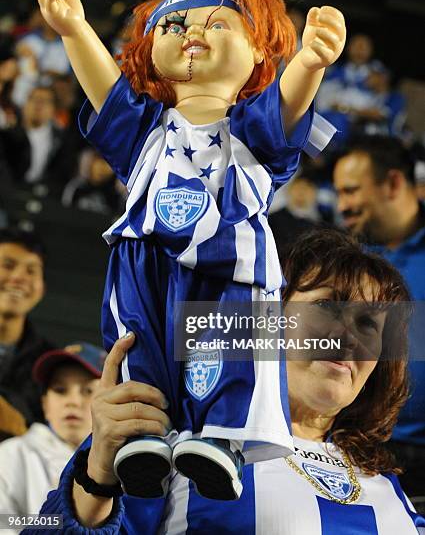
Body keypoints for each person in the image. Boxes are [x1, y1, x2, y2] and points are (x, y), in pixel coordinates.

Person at [37, 0, 345, 500]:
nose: (191, 34)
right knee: (140, 343)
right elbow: (105, 90)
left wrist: (311, 63)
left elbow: (288, 105)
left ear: (257, 53)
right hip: (145, 256)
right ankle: (142, 440)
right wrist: (74, 31)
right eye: (173, 25)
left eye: (218, 24)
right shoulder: (143, 131)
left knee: (228, 349)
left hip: (230, 261)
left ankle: (220, 440)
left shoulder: (251, 128)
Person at [29, 228, 425, 533]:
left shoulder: (385, 481)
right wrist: (98, 476)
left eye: (370, 323)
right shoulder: (182, 439)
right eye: (327, 305)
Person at [333, 135, 425, 508]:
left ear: (393, 183)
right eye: (338, 193)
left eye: (351, 191)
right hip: (363, 450)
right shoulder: (342, 264)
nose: (343, 206)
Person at [0, 342, 105, 531]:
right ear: (45, 404)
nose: (73, 402)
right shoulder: (12, 454)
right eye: (60, 390)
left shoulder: (124, 461)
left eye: (88, 391)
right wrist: (57, 523)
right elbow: (3, 522)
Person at [0, 227, 53, 425]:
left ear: (42, 289)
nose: (19, 278)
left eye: (31, 271)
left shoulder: (51, 364)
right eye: (8, 265)